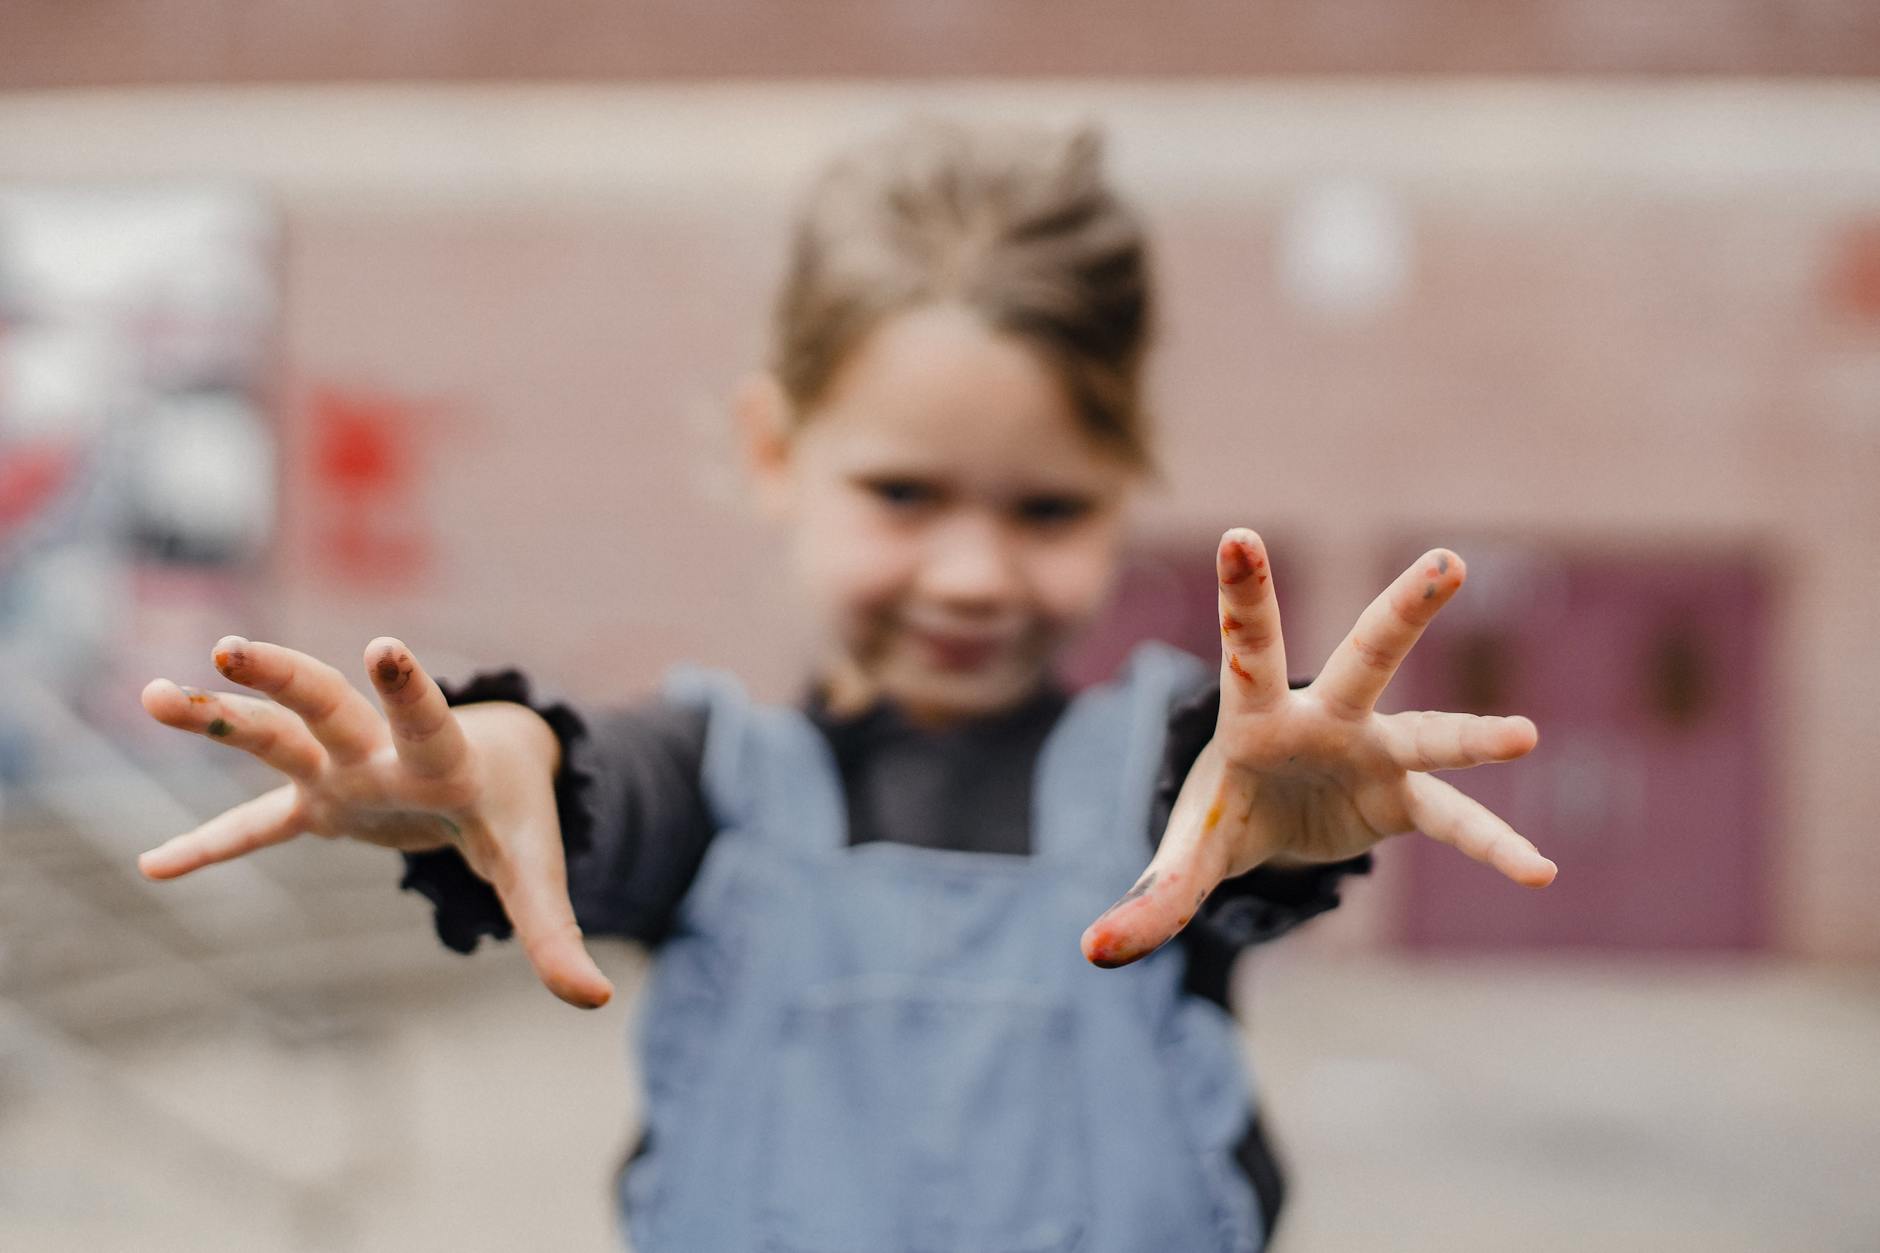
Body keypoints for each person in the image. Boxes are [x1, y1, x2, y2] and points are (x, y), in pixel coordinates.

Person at [135, 119, 1555, 1252]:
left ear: (1128, 487)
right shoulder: (702, 784)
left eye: (1046, 509)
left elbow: (1233, 804)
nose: (974, 571)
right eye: (904, 493)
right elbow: (586, 785)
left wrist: (1290, 809)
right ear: (774, 450)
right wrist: (492, 762)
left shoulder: (1173, 792)